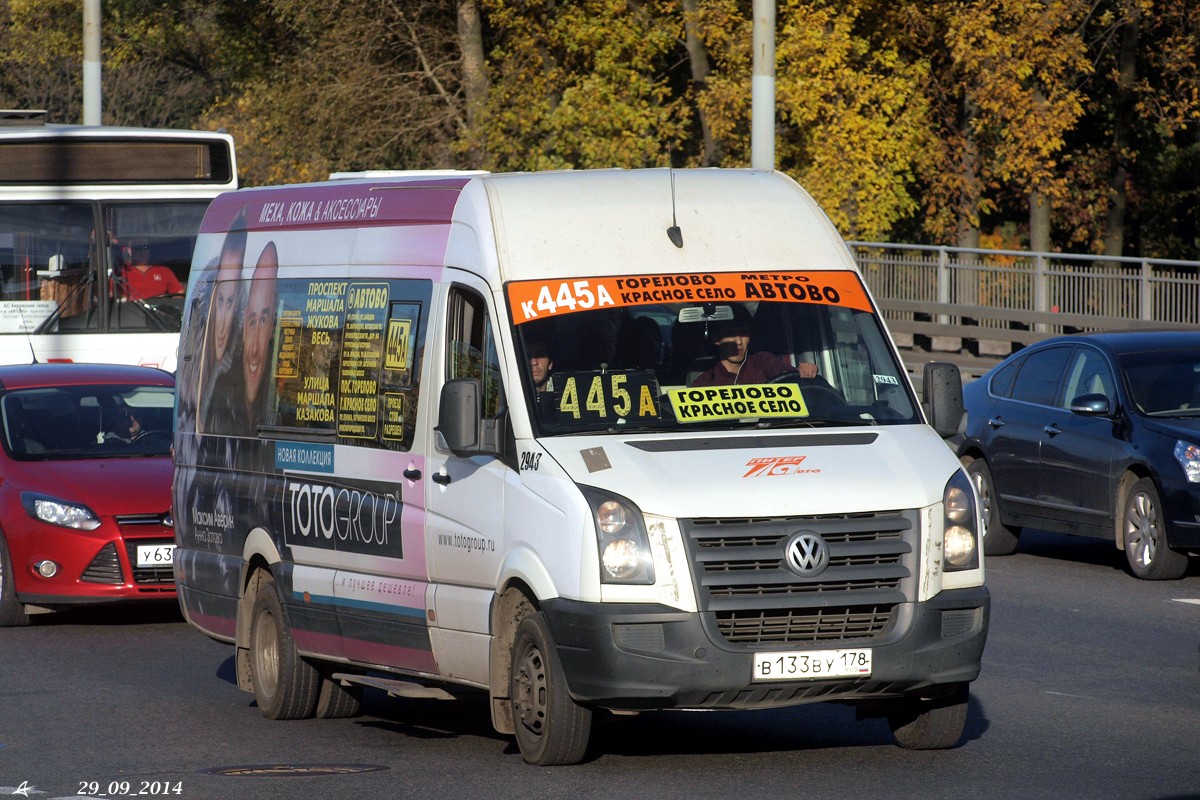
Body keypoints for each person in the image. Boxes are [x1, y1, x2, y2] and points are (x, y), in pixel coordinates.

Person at [690, 307, 818, 387]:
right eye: (731, 334)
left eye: (744, 333)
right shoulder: (704, 382)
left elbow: (785, 373)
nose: (739, 342)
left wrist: (802, 370)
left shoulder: (762, 361)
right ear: (716, 339)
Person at [118, 239, 184, 299]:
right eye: (137, 248)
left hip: (158, 311)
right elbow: (112, 294)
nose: (141, 251)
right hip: (131, 311)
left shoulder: (164, 271)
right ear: (131, 251)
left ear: (149, 250)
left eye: (145, 247)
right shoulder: (121, 272)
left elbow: (179, 293)